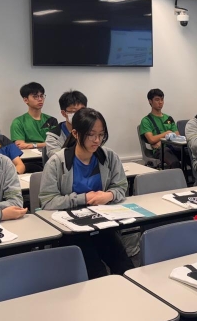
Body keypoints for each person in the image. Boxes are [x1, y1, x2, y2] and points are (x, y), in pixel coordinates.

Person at [39, 108, 132, 276]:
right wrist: (84, 198)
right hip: (71, 229)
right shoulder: (57, 162)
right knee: (97, 273)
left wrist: (109, 195)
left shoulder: (109, 156)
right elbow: (47, 201)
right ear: (75, 133)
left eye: (101, 135)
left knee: (126, 268)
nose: (97, 140)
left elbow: (121, 186)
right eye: (91, 135)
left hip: (102, 224)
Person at [140, 88, 181, 168]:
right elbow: (151, 140)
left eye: (162, 99)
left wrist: (160, 140)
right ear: (150, 101)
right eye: (157, 100)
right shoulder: (146, 120)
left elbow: (177, 136)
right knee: (174, 162)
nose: (160, 102)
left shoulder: (168, 118)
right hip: (160, 151)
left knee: (190, 156)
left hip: (173, 147)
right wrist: (167, 133)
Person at [10, 82, 57, 150]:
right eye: (35, 96)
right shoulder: (18, 122)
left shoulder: (51, 120)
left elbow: (56, 143)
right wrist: (44, 144)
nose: (40, 99)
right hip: (29, 156)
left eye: (41, 96)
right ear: (26, 100)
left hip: (50, 154)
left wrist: (32, 145)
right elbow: (20, 146)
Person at [45, 90, 87, 160]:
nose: (80, 114)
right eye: (74, 111)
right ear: (64, 113)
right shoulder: (53, 137)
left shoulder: (90, 131)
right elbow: (57, 160)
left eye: (82, 111)